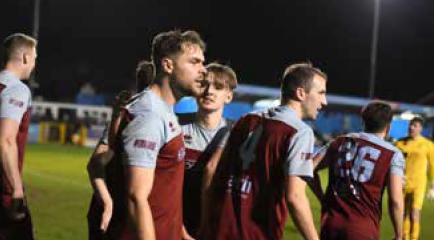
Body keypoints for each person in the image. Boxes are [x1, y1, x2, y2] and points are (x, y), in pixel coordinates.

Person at [203, 62, 327, 240]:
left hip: (219, 230)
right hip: (256, 233)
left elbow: (211, 169)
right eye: (321, 93)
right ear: (301, 93)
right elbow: (295, 197)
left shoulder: (245, 120)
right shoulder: (299, 132)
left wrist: (207, 220)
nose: (324, 101)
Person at [122, 30, 206, 240]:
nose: (203, 70)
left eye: (202, 63)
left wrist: (180, 231)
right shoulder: (150, 115)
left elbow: (164, 188)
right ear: (168, 65)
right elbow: (136, 198)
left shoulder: (164, 110)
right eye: (194, 62)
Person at [314, 102, 405, 240]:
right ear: (388, 126)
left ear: (363, 121)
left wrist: (321, 196)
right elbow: (396, 200)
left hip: (330, 223)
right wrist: (399, 234)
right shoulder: (392, 154)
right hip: (363, 228)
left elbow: (308, 168)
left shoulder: (339, 141)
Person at [86, 60, 154, 240]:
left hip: (123, 215)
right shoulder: (126, 117)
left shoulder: (165, 120)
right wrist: (108, 203)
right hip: (115, 217)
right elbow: (96, 164)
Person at [179, 63, 237, 239]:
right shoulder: (175, 125)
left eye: (218, 87)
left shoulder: (238, 134)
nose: (209, 91)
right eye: (204, 84)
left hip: (215, 227)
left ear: (228, 96)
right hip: (175, 221)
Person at [0, 33, 37, 240]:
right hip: (3, 188)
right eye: (34, 58)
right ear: (24, 57)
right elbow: (5, 140)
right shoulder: (16, 89)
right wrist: (15, 188)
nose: (33, 64)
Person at [395, 117, 434, 240]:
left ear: (421, 128)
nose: (411, 128)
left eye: (415, 125)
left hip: (419, 184)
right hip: (403, 183)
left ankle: (414, 238)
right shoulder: (400, 143)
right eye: (410, 125)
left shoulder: (428, 145)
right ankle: (405, 237)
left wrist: (433, 186)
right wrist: (397, 176)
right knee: (403, 213)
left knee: (415, 213)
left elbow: (433, 166)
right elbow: (394, 163)